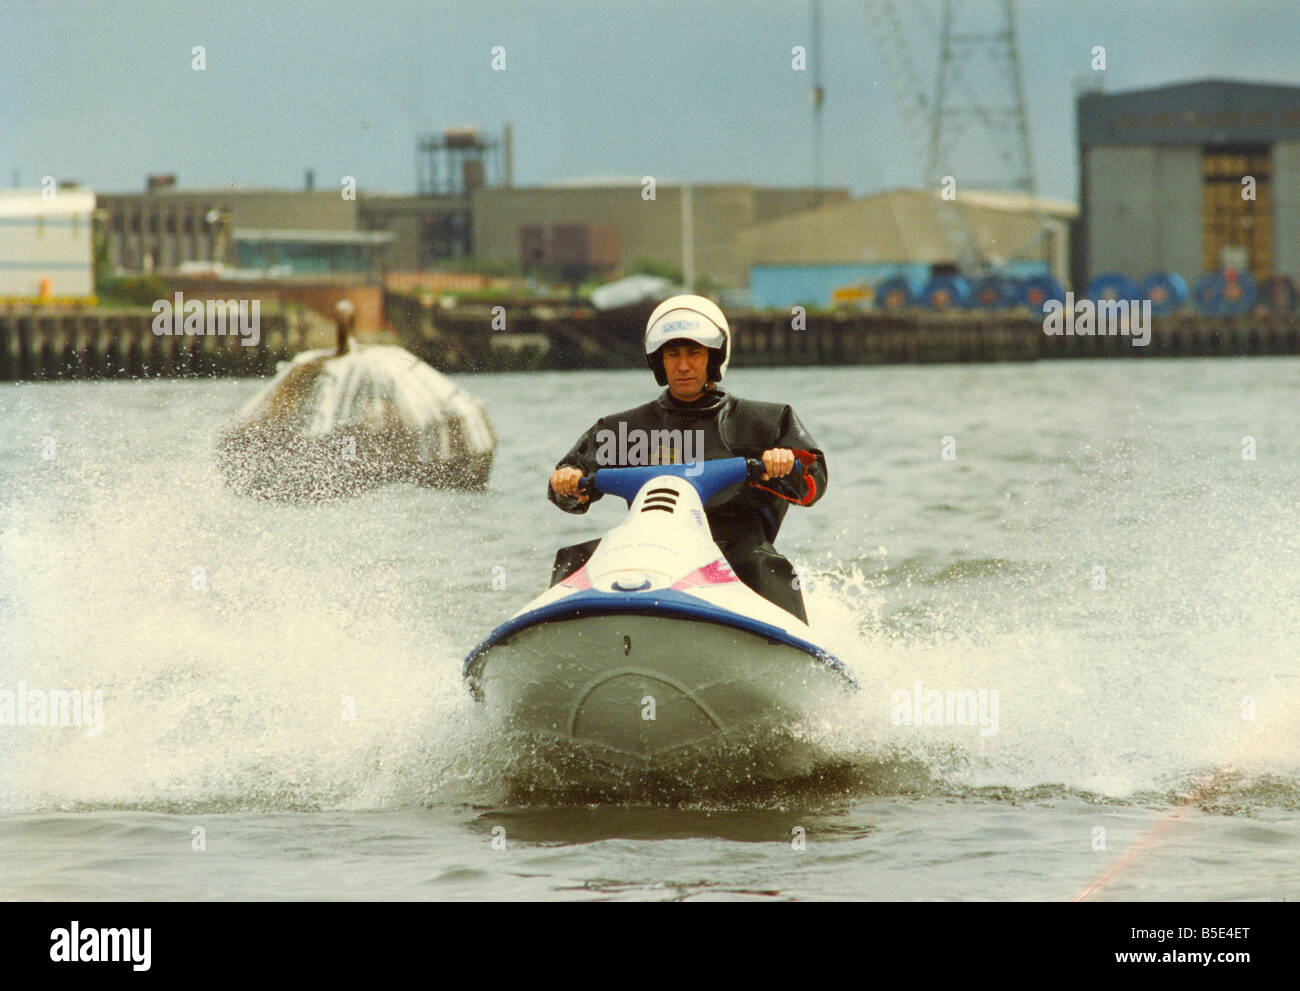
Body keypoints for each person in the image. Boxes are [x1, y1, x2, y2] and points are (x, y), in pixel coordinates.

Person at [547, 294, 828, 622]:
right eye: (672, 353)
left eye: (694, 353)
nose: (683, 365)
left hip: (735, 549)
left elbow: (813, 481)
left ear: (713, 357)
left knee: (764, 566)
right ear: (659, 361)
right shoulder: (623, 429)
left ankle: (793, 652)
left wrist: (785, 461)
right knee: (574, 558)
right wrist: (566, 480)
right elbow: (569, 482)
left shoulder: (764, 421)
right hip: (650, 544)